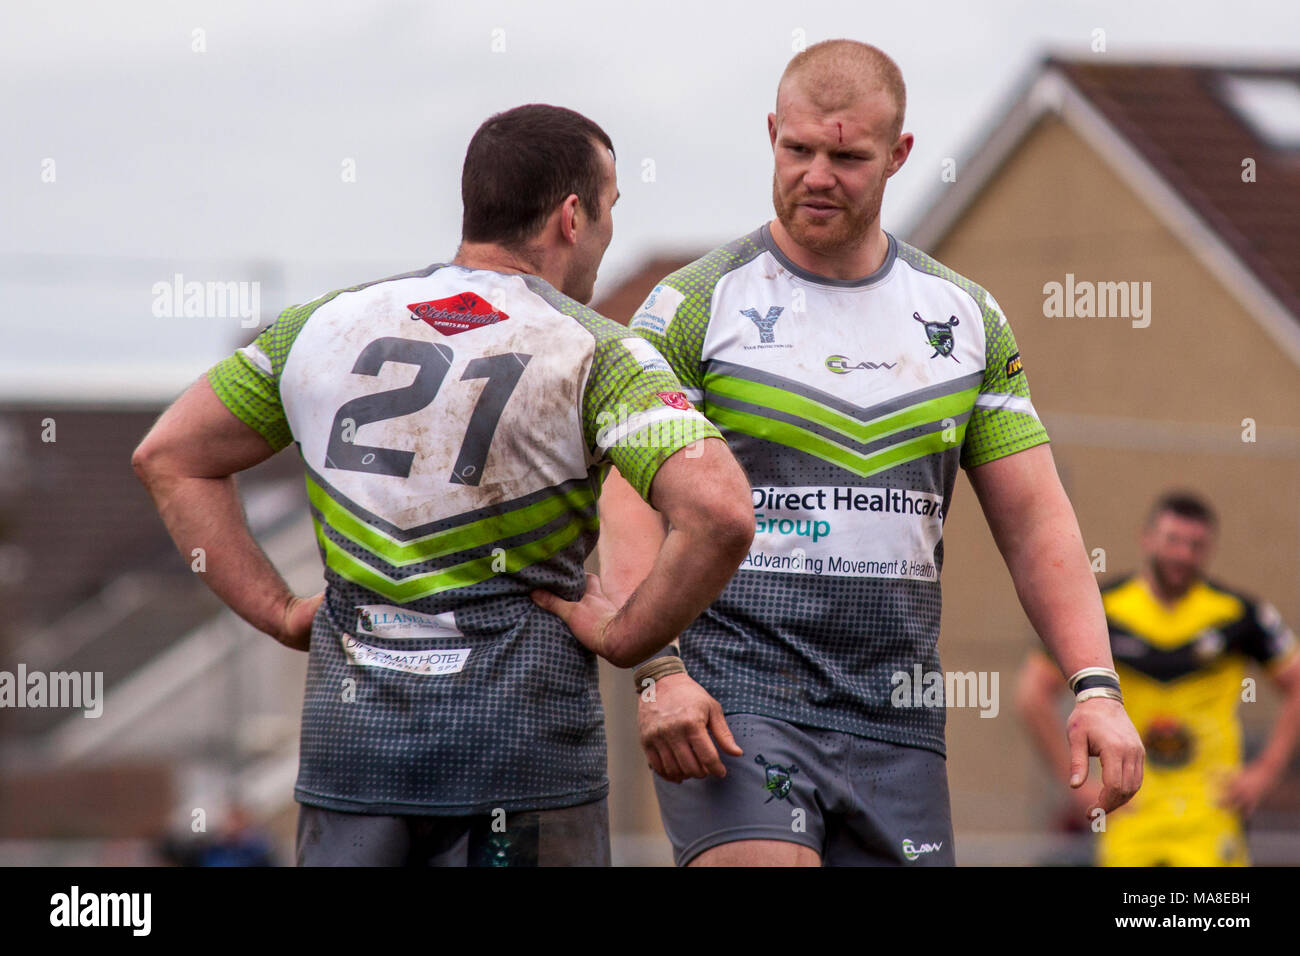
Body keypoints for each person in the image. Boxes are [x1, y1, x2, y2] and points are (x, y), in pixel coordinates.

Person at [132, 104, 754, 867]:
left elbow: (170, 456)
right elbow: (721, 513)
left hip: (352, 763)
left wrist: (282, 611)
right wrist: (631, 638)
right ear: (571, 216)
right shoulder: (598, 352)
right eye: (610, 209)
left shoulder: (320, 326)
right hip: (525, 765)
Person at [596, 39, 1144, 866]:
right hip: (736, 703)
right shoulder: (693, 308)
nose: (817, 174)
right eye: (798, 149)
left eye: (848, 156)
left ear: (899, 155)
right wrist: (658, 670)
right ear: (772, 134)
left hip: (899, 716)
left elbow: (1035, 522)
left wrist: (1096, 687)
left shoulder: (965, 318)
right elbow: (630, 497)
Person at [1017, 492, 1300, 866]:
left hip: (1210, 817)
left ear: (1210, 549)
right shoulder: (1104, 610)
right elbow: (1031, 694)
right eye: (1173, 540)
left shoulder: (1239, 615)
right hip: (1129, 814)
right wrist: (1079, 787)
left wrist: (1265, 772)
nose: (1182, 554)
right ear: (1146, 538)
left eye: (1195, 545)